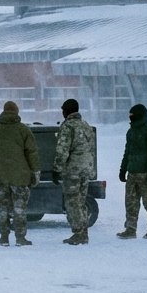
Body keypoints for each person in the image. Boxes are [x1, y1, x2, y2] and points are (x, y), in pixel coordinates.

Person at [0, 100, 39, 246]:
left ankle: (3, 238)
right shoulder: (23, 130)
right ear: (16, 112)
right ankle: (20, 238)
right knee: (19, 208)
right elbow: (32, 153)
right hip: (19, 176)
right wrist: (35, 171)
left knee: (2, 207)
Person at [53, 98, 96, 245]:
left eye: (63, 110)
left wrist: (57, 169)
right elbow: (91, 147)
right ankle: (83, 232)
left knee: (72, 202)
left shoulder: (68, 126)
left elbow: (62, 151)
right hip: (86, 169)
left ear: (67, 111)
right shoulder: (86, 126)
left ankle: (79, 234)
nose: (62, 112)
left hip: (73, 171)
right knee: (81, 201)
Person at [117, 103, 147, 240]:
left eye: (133, 115)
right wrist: (123, 169)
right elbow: (127, 152)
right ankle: (130, 229)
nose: (131, 118)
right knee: (130, 203)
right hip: (132, 173)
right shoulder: (130, 132)